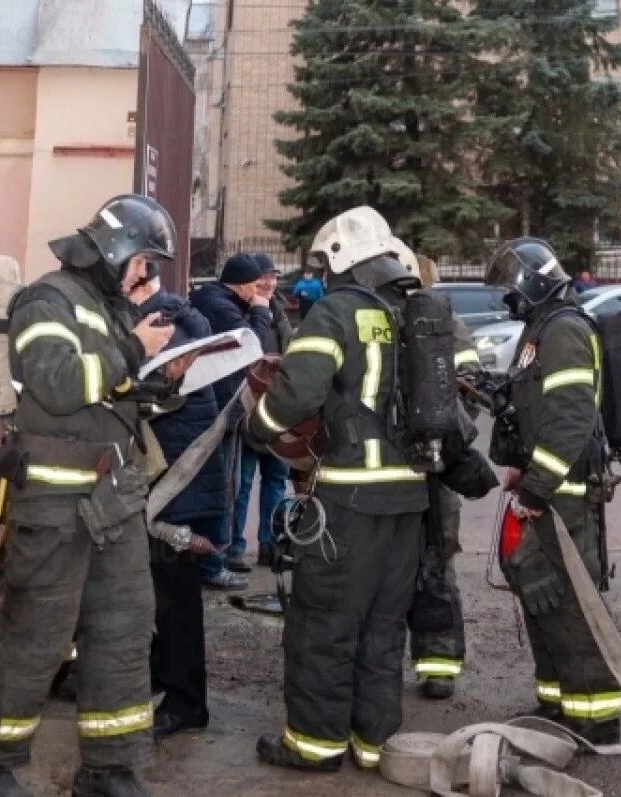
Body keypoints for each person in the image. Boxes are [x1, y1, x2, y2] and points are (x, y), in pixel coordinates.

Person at [0, 195, 179, 797]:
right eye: (144, 261)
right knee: (35, 638)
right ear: (112, 250)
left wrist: (165, 381)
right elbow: (58, 386)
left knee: (122, 633)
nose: (148, 277)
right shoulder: (47, 300)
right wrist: (135, 349)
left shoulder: (108, 309)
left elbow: (114, 395)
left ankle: (109, 770)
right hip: (56, 508)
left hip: (116, 500)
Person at [243, 207, 433, 772]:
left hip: (348, 502)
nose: (321, 274)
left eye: (324, 262)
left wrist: (258, 427)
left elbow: (297, 393)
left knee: (324, 625)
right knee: (382, 626)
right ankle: (374, 744)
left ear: (342, 258)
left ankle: (314, 745)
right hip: (409, 501)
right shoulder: (412, 313)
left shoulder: (335, 313)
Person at [484, 237, 621, 745]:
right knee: (541, 595)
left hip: (562, 493)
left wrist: (537, 487)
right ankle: (558, 701)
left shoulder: (563, 329)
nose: (506, 297)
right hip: (544, 488)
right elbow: (532, 407)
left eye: (509, 286)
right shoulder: (538, 330)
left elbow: (568, 419)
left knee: (570, 603)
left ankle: (596, 718)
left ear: (532, 280)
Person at [133, 275, 224, 739]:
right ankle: (159, 674)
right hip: (166, 479)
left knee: (175, 602)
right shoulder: (167, 316)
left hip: (174, 485)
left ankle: (186, 702)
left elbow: (160, 391)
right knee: (152, 595)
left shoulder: (165, 324)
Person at [400, 249, 480, 701]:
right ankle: (435, 666)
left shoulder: (439, 323)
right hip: (427, 468)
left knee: (428, 564)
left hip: (424, 468)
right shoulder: (438, 321)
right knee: (432, 565)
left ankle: (437, 665)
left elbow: (470, 385)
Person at [190, 253, 274, 586]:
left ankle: (210, 561)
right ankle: (214, 564)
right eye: (254, 285)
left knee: (218, 485)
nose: (259, 290)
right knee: (223, 488)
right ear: (240, 285)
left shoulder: (210, 300)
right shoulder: (222, 307)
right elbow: (251, 347)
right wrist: (260, 312)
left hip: (212, 405)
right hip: (221, 408)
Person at [234, 254, 294, 567]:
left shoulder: (279, 311)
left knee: (275, 480)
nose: (269, 282)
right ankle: (234, 549)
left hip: (278, 409)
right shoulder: (241, 312)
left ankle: (270, 546)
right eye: (262, 277)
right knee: (241, 483)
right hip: (246, 410)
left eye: (272, 276)